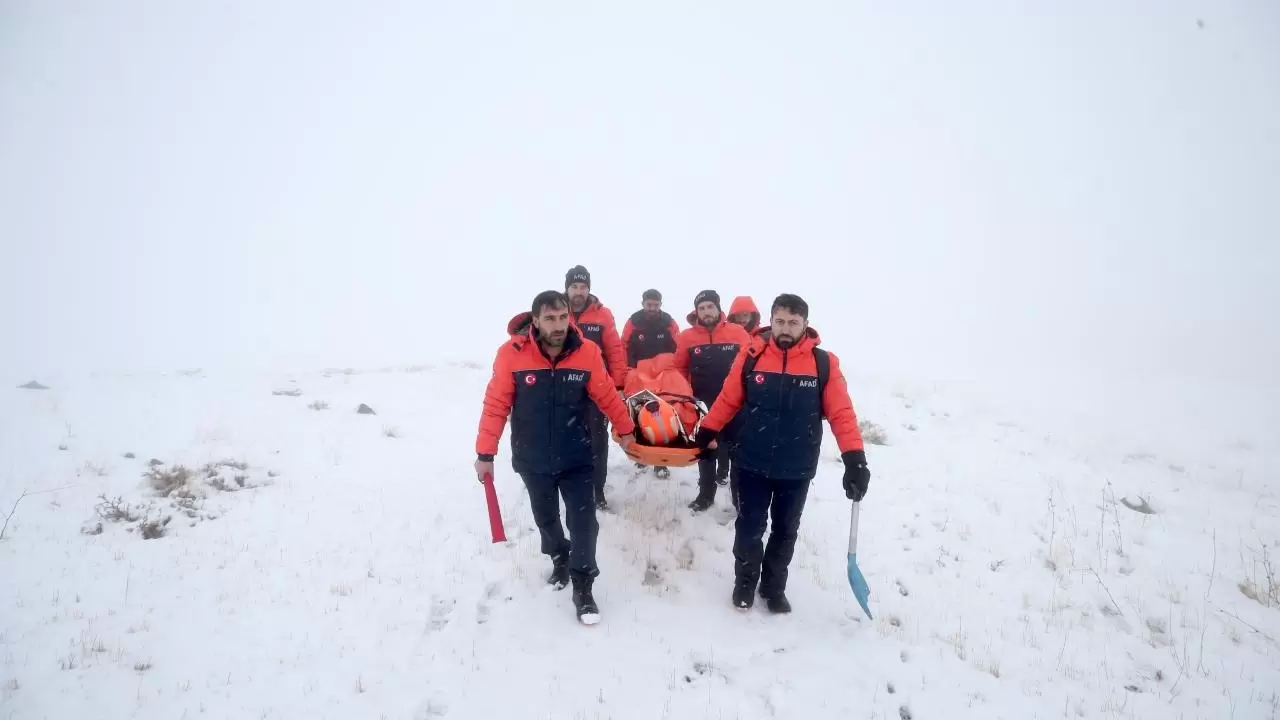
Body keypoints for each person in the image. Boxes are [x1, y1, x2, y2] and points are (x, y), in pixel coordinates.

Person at [693, 293, 870, 614]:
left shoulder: (823, 364)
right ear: (770, 321)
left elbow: (842, 413)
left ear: (805, 324)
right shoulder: (751, 356)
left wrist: (854, 459)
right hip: (751, 462)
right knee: (749, 527)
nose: (785, 328)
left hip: (796, 467)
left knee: (785, 530)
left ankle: (774, 587)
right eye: (780, 321)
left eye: (793, 322)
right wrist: (706, 432)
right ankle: (745, 581)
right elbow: (728, 400)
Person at [474, 290, 636, 625]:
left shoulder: (586, 353)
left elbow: (606, 393)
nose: (559, 325)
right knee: (547, 519)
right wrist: (485, 453)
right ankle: (559, 556)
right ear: (535, 321)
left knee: (584, 524)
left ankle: (583, 584)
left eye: (563, 317)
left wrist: (627, 430)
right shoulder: (512, 355)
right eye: (550, 318)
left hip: (576, 455)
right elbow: (496, 404)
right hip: (533, 460)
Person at [672, 289, 751, 511]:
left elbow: (751, 368)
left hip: (735, 406)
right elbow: (678, 369)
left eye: (710, 307)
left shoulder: (738, 334)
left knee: (737, 455)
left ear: (719, 308)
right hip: (703, 405)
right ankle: (705, 496)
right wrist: (684, 397)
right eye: (702, 308)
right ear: (696, 311)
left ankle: (739, 499)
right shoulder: (687, 337)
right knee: (706, 453)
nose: (706, 312)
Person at [564, 265, 628, 510]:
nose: (578, 292)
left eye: (583, 287)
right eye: (574, 287)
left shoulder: (603, 315)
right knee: (567, 440)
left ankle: (597, 490)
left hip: (597, 391)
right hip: (565, 390)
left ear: (589, 289)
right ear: (567, 288)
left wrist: (619, 384)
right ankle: (571, 487)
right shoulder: (558, 311)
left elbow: (615, 352)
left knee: (597, 442)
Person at [621, 289, 681, 368]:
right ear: (643, 304)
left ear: (660, 304)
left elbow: (679, 347)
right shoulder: (633, 322)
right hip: (638, 369)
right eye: (649, 305)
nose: (652, 308)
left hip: (664, 369)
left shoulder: (669, 322)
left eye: (656, 305)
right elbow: (623, 347)